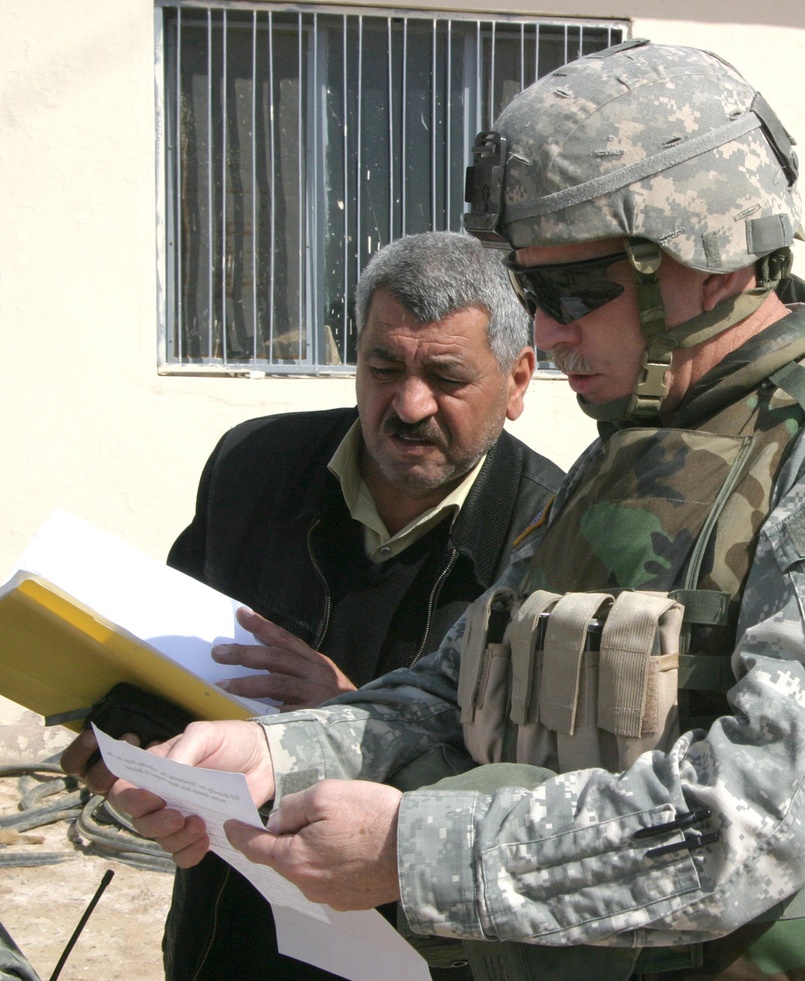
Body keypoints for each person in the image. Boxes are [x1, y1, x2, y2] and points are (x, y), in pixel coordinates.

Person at [110, 41, 805, 981]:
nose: (544, 332)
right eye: (532, 291)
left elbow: (776, 806)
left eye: (576, 290)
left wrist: (414, 850)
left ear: (708, 259)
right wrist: (268, 754)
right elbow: (453, 691)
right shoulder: (629, 449)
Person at [62, 230, 564, 980]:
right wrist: (129, 750)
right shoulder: (252, 469)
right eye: (383, 366)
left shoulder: (555, 535)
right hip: (225, 934)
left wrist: (355, 718)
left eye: (447, 376)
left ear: (518, 380)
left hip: (416, 953)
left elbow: (548, 799)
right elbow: (162, 665)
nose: (409, 403)